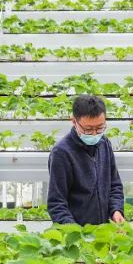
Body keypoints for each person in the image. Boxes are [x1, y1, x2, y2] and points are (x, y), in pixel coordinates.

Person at [47, 94, 125, 226]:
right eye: (88, 129)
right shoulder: (62, 153)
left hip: (104, 232)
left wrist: (116, 210)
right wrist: (76, 234)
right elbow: (57, 203)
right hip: (77, 237)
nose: (95, 134)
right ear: (74, 122)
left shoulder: (104, 143)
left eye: (100, 128)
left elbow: (115, 185)